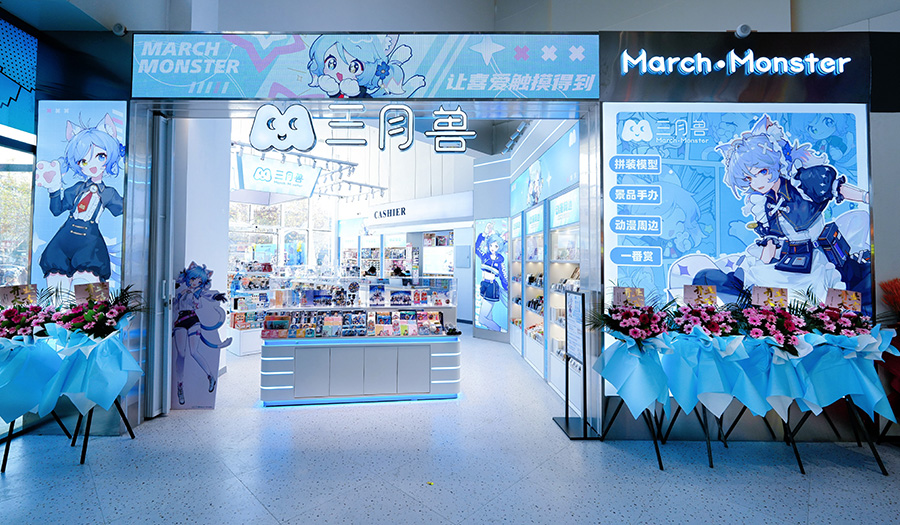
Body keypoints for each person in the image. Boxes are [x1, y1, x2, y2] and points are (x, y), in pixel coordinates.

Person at [695, 114, 871, 310]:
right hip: (785, 260)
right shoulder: (765, 203)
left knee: (823, 298)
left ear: (776, 164)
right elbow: (772, 236)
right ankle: (718, 314)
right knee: (711, 279)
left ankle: (817, 312)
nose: (757, 183)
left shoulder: (803, 183)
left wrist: (867, 197)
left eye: (762, 172)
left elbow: (838, 188)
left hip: (814, 260)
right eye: (749, 179)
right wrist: (766, 253)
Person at [34, 114, 125, 290]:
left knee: (89, 296)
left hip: (89, 243)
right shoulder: (76, 189)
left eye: (100, 156)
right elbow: (56, 210)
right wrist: (54, 188)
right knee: (57, 292)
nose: (91, 165)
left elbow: (127, 210)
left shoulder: (109, 193)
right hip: (63, 239)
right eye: (83, 161)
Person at [172, 262, 232, 405]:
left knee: (194, 351)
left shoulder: (198, 292)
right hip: (180, 321)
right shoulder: (181, 291)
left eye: (199, 281)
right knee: (181, 354)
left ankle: (210, 376)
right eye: (193, 279)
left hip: (193, 320)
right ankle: (180, 386)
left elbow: (208, 295)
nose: (195, 283)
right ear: (188, 278)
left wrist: (216, 297)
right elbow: (172, 305)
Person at [307, 34, 425, 98]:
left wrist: (355, 94)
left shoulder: (359, 89)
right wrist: (332, 91)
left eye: (354, 67)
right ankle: (396, 61)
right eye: (331, 64)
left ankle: (396, 62)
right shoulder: (331, 86)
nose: (340, 73)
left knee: (386, 94)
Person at [475, 223, 509, 331]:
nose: (492, 248)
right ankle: (493, 333)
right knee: (488, 317)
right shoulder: (485, 257)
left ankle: (500, 330)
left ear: (500, 247)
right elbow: (476, 248)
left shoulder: (500, 261)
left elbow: (503, 277)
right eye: (491, 245)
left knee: (482, 319)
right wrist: (485, 233)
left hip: (491, 287)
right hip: (484, 285)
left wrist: (508, 288)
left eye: (496, 246)